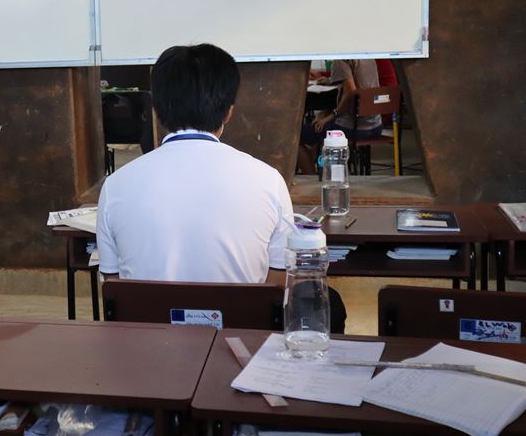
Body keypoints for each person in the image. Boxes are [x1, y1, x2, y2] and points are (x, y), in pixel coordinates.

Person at [97, 44, 346, 330]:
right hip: (240, 348)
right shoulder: (268, 180)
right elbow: (277, 284)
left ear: (157, 109)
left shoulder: (115, 186)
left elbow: (114, 288)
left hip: (150, 350)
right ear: (228, 111)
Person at [297, 59, 384, 175]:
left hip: (352, 128)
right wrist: (330, 81)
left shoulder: (341, 60)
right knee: (319, 123)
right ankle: (319, 162)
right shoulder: (368, 57)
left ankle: (312, 179)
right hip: (375, 126)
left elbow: (351, 93)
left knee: (295, 136)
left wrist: (331, 116)